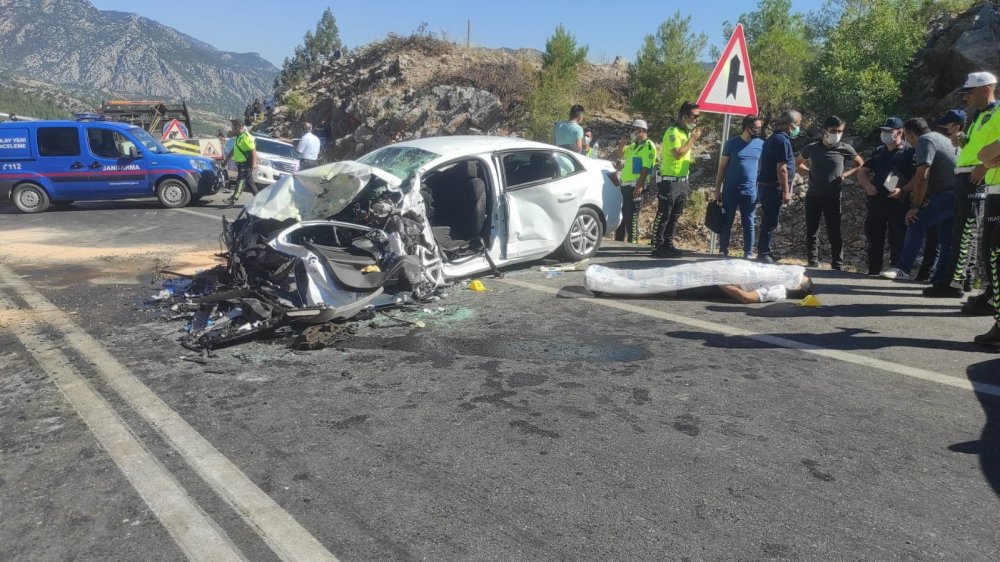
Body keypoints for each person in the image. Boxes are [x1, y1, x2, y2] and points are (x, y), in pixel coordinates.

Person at [936, 73, 999, 300]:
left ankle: (956, 282)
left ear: (987, 89)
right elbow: (974, 146)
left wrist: (984, 166)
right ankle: (971, 285)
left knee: (967, 232)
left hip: (981, 176)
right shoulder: (980, 115)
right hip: (969, 176)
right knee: (968, 233)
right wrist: (960, 141)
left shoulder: (998, 113)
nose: (966, 98)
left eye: (969, 92)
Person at [880, 118, 957, 282]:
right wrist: (905, 190)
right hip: (957, 194)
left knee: (915, 221)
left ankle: (903, 268)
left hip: (944, 193)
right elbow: (921, 177)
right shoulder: (941, 138)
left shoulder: (924, 141)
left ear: (910, 135)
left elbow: (923, 175)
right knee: (945, 239)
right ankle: (942, 279)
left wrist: (916, 205)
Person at [796, 116, 865, 270]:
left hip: (833, 197)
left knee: (834, 230)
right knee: (812, 230)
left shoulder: (844, 148)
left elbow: (860, 164)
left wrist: (845, 175)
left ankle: (837, 263)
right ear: (824, 131)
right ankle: (812, 261)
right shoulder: (812, 147)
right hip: (813, 195)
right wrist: (808, 172)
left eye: (840, 131)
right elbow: (798, 162)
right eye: (833, 131)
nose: (837, 134)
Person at [856, 117, 916, 276]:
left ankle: (897, 270)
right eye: (884, 131)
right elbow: (862, 171)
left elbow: (918, 177)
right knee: (874, 237)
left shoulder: (910, 152)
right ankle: (873, 270)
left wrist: (903, 190)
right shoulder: (878, 151)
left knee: (897, 238)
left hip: (898, 203)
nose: (885, 134)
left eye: (889, 131)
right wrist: (867, 185)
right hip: (877, 201)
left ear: (900, 132)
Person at [651, 101, 702, 258]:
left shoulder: (685, 133)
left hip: (682, 180)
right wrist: (692, 140)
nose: (697, 120)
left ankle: (668, 243)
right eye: (695, 117)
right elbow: (677, 153)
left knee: (675, 215)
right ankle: (657, 246)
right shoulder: (673, 132)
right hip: (669, 181)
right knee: (664, 214)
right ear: (684, 116)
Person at [712, 115, 764, 258]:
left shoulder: (761, 144)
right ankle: (723, 251)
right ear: (746, 127)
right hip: (731, 190)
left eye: (760, 128)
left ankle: (748, 253)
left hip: (750, 191)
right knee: (727, 221)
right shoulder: (731, 143)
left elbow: (763, 168)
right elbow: (722, 168)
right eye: (755, 128)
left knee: (749, 222)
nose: (758, 131)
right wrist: (717, 189)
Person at [756, 109, 802, 263]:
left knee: (769, 220)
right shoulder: (782, 141)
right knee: (770, 221)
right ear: (790, 125)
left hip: (765, 186)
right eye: (798, 125)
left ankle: (765, 251)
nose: (798, 129)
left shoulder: (772, 138)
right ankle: (763, 254)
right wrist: (786, 191)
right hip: (772, 187)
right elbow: (782, 169)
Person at [972, 111, 1000, 344]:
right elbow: (984, 155)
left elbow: (986, 155)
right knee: (992, 256)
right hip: (994, 193)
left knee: (996, 257)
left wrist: (989, 157)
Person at [614, 119, 657, 244]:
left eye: (634, 130)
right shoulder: (633, 145)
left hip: (636, 185)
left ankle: (633, 242)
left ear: (641, 130)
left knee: (631, 216)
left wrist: (640, 185)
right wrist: (622, 144)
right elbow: (621, 154)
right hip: (626, 185)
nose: (632, 132)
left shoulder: (648, 146)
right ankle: (618, 242)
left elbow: (646, 166)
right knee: (623, 215)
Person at [222, 120, 258, 207]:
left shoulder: (246, 137)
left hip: (245, 163)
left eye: (233, 126)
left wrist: (254, 163)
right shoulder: (238, 136)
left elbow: (253, 150)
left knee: (240, 182)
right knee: (250, 183)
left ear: (238, 126)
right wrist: (226, 160)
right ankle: (259, 200)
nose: (232, 128)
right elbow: (235, 149)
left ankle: (233, 200)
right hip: (240, 164)